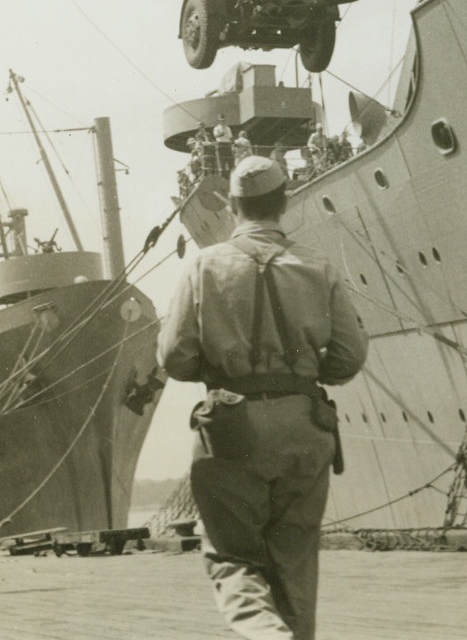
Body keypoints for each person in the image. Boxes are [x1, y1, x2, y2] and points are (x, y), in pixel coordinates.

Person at [158, 156, 369, 640]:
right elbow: (349, 355)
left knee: (234, 558)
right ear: (284, 202)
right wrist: (302, 375)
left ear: (232, 205)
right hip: (306, 424)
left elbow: (174, 356)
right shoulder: (317, 266)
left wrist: (218, 370)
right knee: (296, 562)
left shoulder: (204, 266)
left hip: (232, 427)